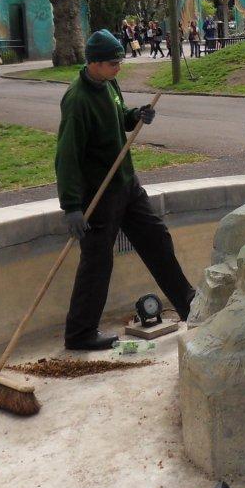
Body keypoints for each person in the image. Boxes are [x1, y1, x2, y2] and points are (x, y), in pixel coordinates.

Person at [55, 29, 196, 350]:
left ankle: (187, 303)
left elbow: (117, 116)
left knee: (156, 238)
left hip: (126, 185)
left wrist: (134, 115)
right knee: (97, 261)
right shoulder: (77, 100)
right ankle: (80, 333)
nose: (120, 66)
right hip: (98, 194)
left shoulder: (108, 84)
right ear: (95, 63)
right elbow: (67, 155)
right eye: (114, 63)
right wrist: (71, 206)